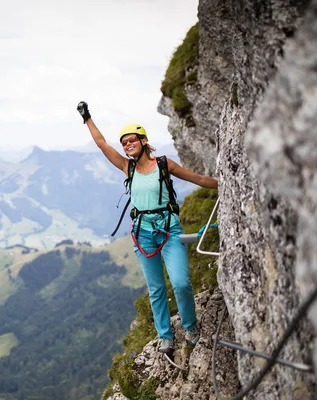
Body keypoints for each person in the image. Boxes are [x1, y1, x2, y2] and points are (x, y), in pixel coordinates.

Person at [76, 101, 218, 354]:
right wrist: (87, 117)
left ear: (143, 141)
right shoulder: (126, 167)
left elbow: (197, 179)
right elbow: (101, 143)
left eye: (132, 140)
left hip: (168, 229)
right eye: (124, 142)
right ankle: (165, 336)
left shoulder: (164, 164)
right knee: (156, 288)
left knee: (181, 282)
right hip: (142, 233)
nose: (127, 144)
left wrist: (227, 182)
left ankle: (191, 327)